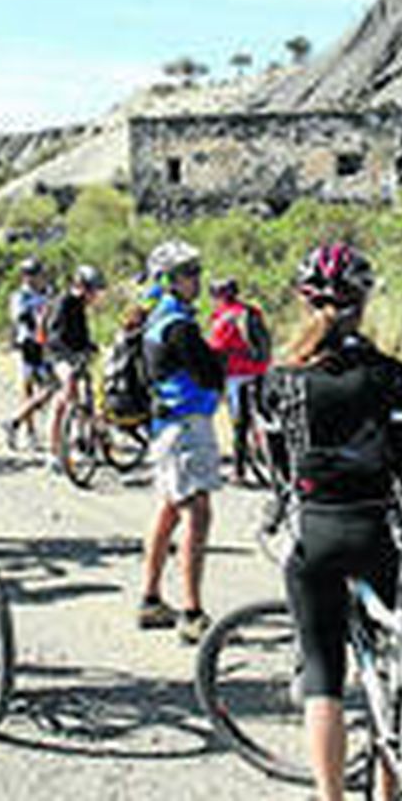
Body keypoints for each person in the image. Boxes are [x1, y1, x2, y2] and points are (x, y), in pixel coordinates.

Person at [259, 242, 402, 801]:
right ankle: (387, 792)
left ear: (306, 304)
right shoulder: (390, 373)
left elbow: (279, 467)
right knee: (389, 666)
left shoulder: (280, 379)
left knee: (323, 674)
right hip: (376, 530)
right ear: (363, 302)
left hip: (317, 533)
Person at [136, 240, 224, 644]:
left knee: (169, 511)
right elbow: (208, 374)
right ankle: (192, 612)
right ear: (170, 280)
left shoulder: (159, 318)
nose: (198, 279)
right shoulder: (179, 326)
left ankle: (151, 599)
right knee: (197, 513)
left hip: (169, 428)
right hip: (187, 426)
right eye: (189, 273)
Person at [206, 277, 272, 483]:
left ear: (219, 296)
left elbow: (216, 347)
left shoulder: (225, 318)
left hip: (238, 375)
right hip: (260, 370)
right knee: (264, 415)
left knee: (239, 424)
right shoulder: (251, 312)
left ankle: (239, 471)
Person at [44, 264, 107, 475]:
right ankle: (53, 451)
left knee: (85, 395)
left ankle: (81, 440)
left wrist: (90, 346)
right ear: (81, 286)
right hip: (57, 355)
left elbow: (80, 333)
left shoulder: (79, 304)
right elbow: (55, 337)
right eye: (93, 290)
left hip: (74, 355)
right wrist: (71, 354)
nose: (95, 296)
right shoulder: (62, 302)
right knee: (66, 391)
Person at [1, 256, 56, 450]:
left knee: (48, 388)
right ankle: (28, 431)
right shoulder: (20, 296)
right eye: (27, 275)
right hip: (29, 345)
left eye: (35, 274)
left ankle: (16, 422)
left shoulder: (49, 291)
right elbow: (20, 318)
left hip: (47, 344)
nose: (31, 279)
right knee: (31, 388)